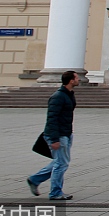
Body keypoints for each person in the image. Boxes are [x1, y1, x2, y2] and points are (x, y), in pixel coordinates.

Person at [27, 70, 79, 200]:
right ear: (71, 80)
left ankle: (34, 179)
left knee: (60, 162)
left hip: (66, 133)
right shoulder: (58, 97)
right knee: (61, 164)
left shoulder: (69, 94)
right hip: (58, 135)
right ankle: (55, 192)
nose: (78, 80)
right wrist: (55, 139)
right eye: (77, 78)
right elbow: (52, 118)